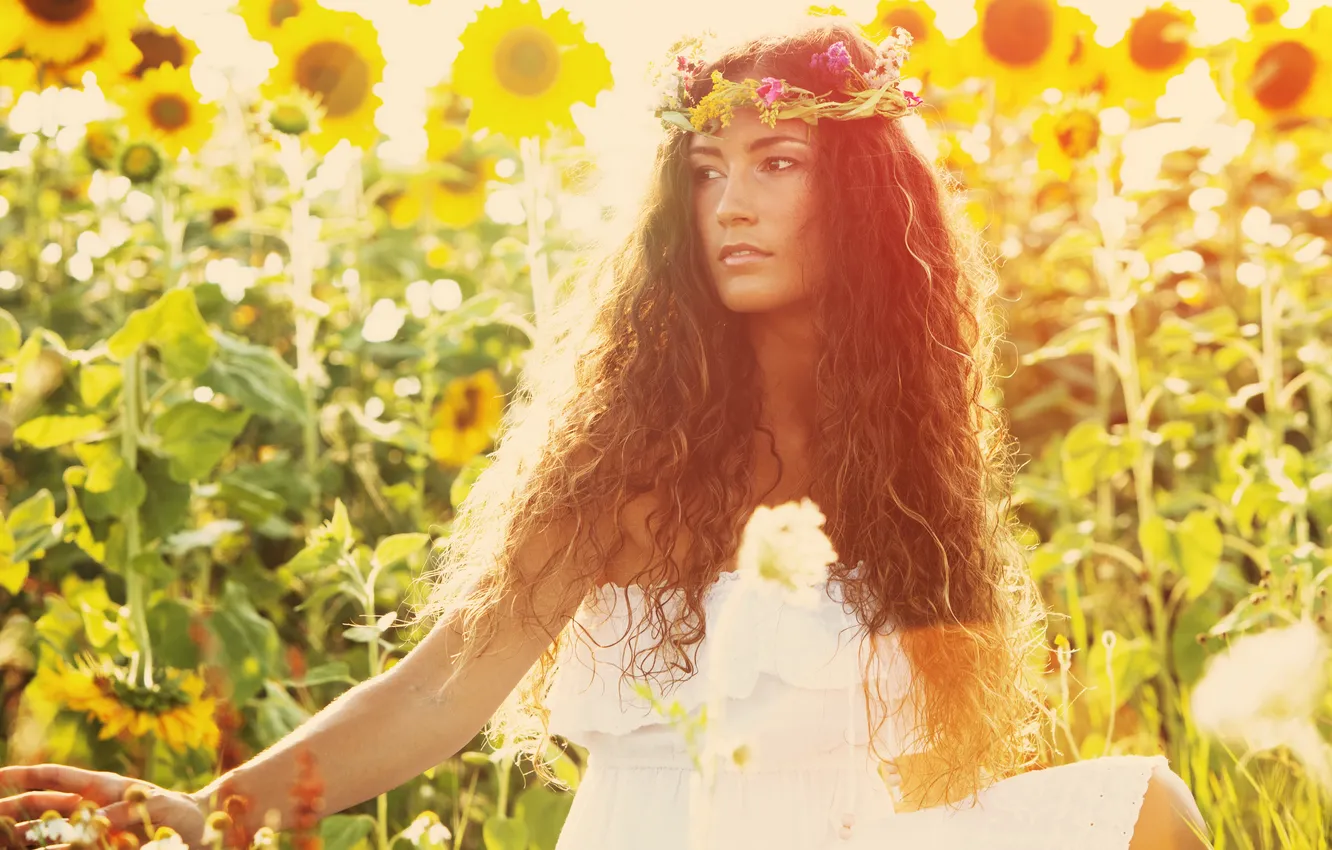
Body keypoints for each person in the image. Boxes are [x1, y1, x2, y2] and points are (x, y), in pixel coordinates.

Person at [0, 17, 1211, 850]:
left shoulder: (905, 469)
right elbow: (435, 694)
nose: (729, 202)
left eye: (775, 161)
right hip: (671, 830)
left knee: (1145, 807)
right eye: (704, 168)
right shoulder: (634, 449)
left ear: (859, 197)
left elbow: (932, 761)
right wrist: (205, 815)